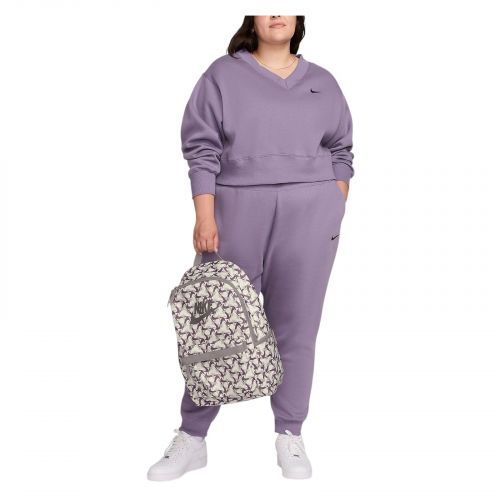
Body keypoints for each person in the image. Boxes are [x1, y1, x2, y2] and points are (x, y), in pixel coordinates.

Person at [147, 14, 354, 481]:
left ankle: (290, 434)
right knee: (216, 327)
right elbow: (201, 148)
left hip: (310, 214)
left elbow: (342, 149)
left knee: (297, 328)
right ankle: (192, 436)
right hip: (235, 210)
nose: (276, 12)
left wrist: (334, 202)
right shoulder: (222, 75)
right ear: (252, 18)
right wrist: (205, 215)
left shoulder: (323, 82)